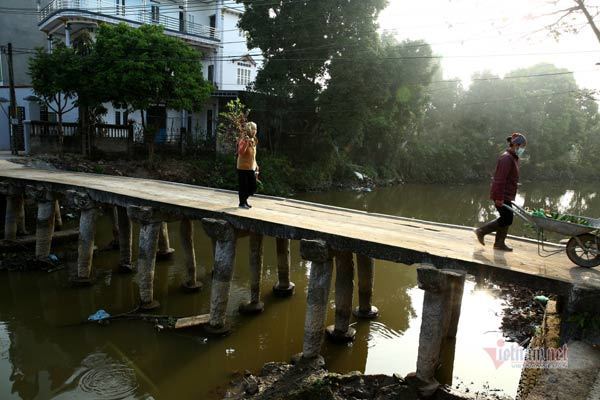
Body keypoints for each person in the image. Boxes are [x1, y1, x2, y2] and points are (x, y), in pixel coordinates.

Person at [475, 132, 527, 251]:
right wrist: (499, 197)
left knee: (506, 218)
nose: (523, 149)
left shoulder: (513, 158)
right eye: (522, 146)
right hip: (501, 194)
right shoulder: (506, 158)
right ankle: (481, 231)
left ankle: (499, 244)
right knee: (507, 218)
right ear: (516, 145)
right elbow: (499, 179)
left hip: (506, 194)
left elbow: (509, 177)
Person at [236, 121, 259, 209]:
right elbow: (240, 153)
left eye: (256, 129)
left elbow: (253, 155)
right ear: (250, 129)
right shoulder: (243, 139)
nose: (256, 131)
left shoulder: (253, 140)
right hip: (242, 167)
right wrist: (246, 142)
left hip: (251, 167)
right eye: (254, 129)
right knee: (244, 187)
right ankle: (242, 203)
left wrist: (256, 165)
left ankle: (244, 201)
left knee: (253, 187)